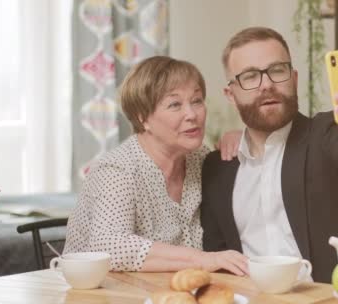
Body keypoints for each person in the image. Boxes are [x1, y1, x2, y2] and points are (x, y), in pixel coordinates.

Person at [201, 27, 338, 282]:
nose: (267, 84)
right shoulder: (217, 168)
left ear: (294, 79)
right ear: (231, 94)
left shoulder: (326, 134)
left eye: (277, 71)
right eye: (250, 76)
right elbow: (216, 256)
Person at [64, 56, 248, 275]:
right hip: (102, 298)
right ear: (143, 118)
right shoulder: (117, 170)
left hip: (170, 293)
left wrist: (245, 139)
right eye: (175, 104)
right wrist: (203, 260)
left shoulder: (199, 157)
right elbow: (109, 246)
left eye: (197, 100)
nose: (192, 115)